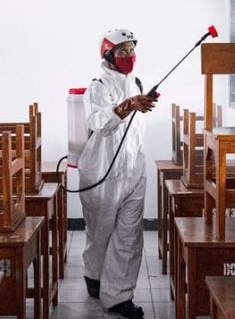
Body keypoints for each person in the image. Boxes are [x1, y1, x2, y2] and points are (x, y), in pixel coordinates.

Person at [77, 28, 157, 319]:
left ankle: (119, 296)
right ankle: (94, 274)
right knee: (101, 232)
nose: (129, 55)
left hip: (133, 168)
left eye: (132, 50)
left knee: (128, 235)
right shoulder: (97, 85)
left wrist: (140, 101)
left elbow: (133, 127)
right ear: (108, 53)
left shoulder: (135, 81)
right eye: (123, 50)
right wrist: (128, 105)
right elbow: (100, 122)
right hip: (102, 170)